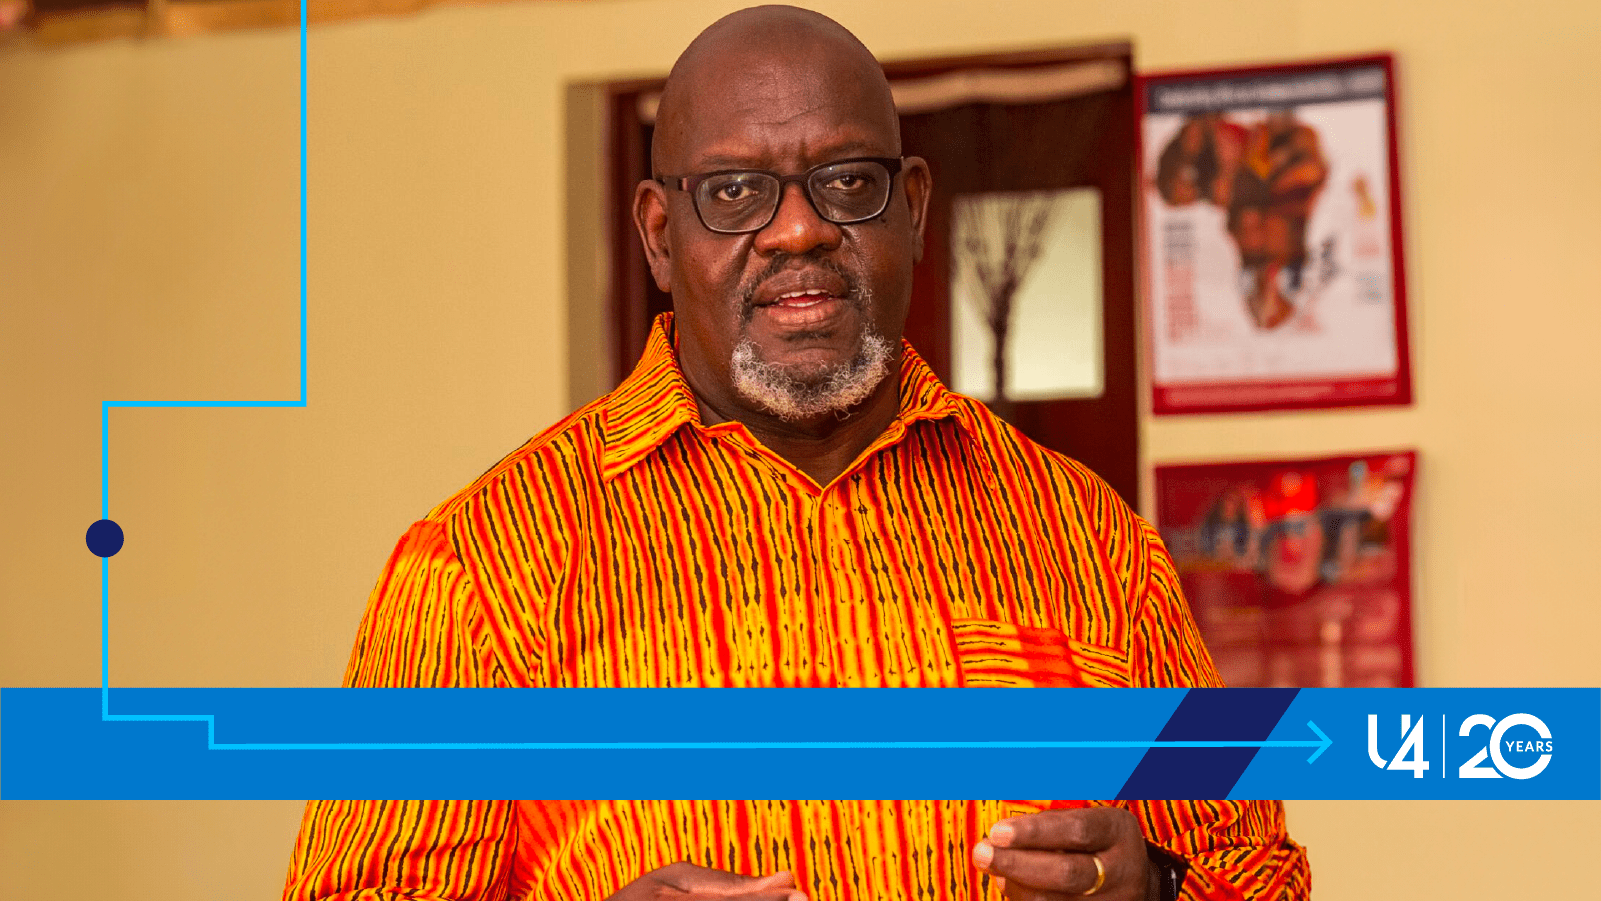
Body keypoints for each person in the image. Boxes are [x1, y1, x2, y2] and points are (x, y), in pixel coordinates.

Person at [283, 6, 1310, 900]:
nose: (796, 232)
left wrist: (1154, 889)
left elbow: (1261, 876)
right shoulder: (480, 573)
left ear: (909, 207)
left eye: (844, 181)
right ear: (656, 231)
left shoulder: (1091, 545)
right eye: (734, 192)